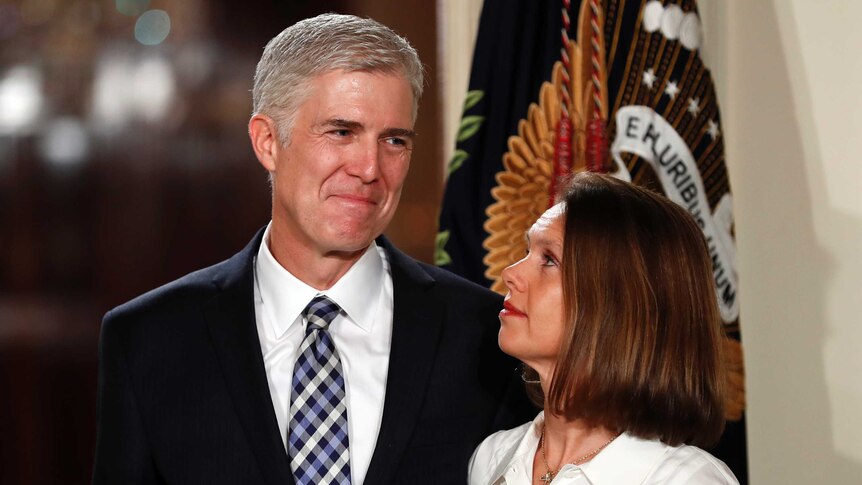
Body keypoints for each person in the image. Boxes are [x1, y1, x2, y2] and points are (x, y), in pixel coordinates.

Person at [93, 13, 530, 485]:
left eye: (394, 140)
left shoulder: (487, 336)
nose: (369, 168)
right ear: (267, 142)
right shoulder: (149, 341)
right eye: (341, 132)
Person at [469, 172, 739, 484]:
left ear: (620, 304)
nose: (510, 273)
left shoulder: (685, 479)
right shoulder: (491, 458)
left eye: (549, 260)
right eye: (527, 251)